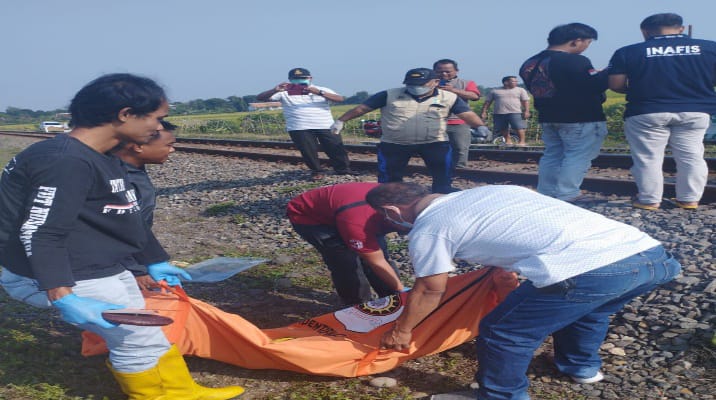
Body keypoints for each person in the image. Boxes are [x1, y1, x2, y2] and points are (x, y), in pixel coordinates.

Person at [0, 73, 245, 399]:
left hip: (99, 264)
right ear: (125, 114)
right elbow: (42, 232)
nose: (159, 128)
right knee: (135, 336)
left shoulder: (103, 154)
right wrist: (64, 296)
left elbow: (124, 212)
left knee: (145, 330)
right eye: (157, 119)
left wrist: (153, 260)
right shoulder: (66, 161)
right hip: (74, 273)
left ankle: (178, 390)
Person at [366, 182, 681, 400]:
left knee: (504, 331)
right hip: (650, 255)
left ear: (392, 211)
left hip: (593, 267)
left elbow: (430, 290)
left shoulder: (430, 226)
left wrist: (402, 331)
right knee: (589, 312)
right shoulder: (494, 190)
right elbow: (520, 228)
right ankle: (581, 368)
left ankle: (501, 396)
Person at [608, 13, 716, 210]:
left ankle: (649, 200)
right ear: (681, 29)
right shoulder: (710, 47)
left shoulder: (628, 51)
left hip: (647, 110)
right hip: (695, 111)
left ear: (645, 31)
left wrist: (637, 89)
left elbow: (616, 84)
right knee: (691, 155)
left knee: (648, 157)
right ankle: (689, 200)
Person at [331, 68, 489, 194]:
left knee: (442, 173)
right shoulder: (389, 95)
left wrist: (479, 126)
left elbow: (466, 114)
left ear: (435, 82)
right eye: (411, 84)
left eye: (420, 84)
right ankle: (391, 197)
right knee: (389, 178)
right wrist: (341, 120)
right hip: (395, 143)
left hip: (434, 142)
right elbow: (362, 108)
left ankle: (442, 192)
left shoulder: (449, 97)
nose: (415, 88)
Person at [519, 23, 609, 203]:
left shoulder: (529, 63)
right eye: (588, 42)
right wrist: (606, 74)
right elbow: (594, 85)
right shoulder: (574, 61)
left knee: (553, 155)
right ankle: (568, 194)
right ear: (577, 41)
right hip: (581, 117)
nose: (586, 47)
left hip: (548, 117)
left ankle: (547, 193)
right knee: (577, 155)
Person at [287, 182, 405, 305]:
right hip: (312, 218)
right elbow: (377, 262)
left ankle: (391, 300)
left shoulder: (411, 204)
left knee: (379, 255)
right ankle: (357, 306)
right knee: (347, 263)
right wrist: (402, 290)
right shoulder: (358, 221)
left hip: (348, 211)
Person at [113, 120, 178, 291]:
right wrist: (137, 271)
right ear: (137, 146)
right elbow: (119, 227)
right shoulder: (122, 178)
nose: (172, 150)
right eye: (169, 144)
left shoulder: (134, 170)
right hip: (118, 265)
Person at [256, 67, 353, 180]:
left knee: (335, 147)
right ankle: (317, 171)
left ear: (310, 78)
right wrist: (275, 90)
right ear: (290, 80)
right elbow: (260, 98)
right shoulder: (283, 92)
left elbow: (340, 99)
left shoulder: (321, 89)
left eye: (302, 78)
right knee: (308, 151)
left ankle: (343, 169)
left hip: (325, 124)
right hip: (299, 126)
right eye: (295, 79)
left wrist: (319, 92)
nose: (299, 81)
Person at [433, 59, 481, 168]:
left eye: (448, 71)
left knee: (460, 148)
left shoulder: (466, 83)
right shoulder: (427, 83)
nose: (444, 74)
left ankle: (459, 170)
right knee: (435, 149)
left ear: (456, 71)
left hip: (458, 121)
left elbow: (474, 96)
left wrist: (453, 90)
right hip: (434, 121)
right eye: (440, 71)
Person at [480, 76, 531, 146]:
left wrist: (527, 111)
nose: (516, 83)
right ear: (506, 82)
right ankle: (508, 141)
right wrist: (484, 111)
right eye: (514, 81)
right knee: (502, 128)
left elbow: (525, 101)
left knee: (518, 127)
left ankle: (522, 142)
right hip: (499, 113)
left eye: (516, 81)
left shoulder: (520, 90)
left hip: (515, 112)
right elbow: (488, 102)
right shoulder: (495, 91)